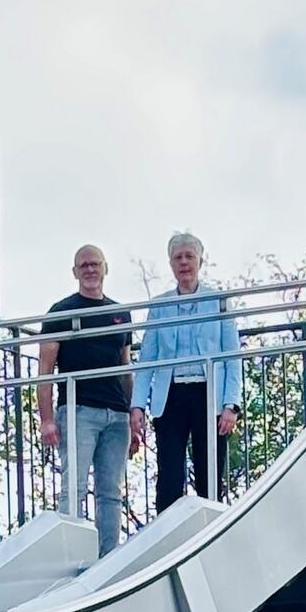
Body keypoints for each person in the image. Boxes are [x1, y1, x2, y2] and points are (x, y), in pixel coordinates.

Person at [130, 232, 242, 511]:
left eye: (189, 256)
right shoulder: (160, 305)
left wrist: (231, 405)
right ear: (170, 264)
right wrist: (137, 406)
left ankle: (212, 535)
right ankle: (168, 538)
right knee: (169, 474)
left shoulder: (218, 300)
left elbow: (232, 356)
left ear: (200, 261)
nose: (184, 263)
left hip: (209, 395)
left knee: (210, 472)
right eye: (178, 257)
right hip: (170, 395)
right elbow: (148, 360)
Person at [38, 245, 133, 556]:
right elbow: (45, 370)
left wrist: (133, 413)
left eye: (95, 264)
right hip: (78, 411)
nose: (90, 270)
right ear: (75, 272)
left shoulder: (120, 313)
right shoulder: (61, 311)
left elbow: (126, 367)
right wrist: (47, 418)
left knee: (111, 492)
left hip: (116, 414)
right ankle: (72, 556)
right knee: (74, 487)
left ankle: (108, 558)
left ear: (105, 268)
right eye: (84, 265)